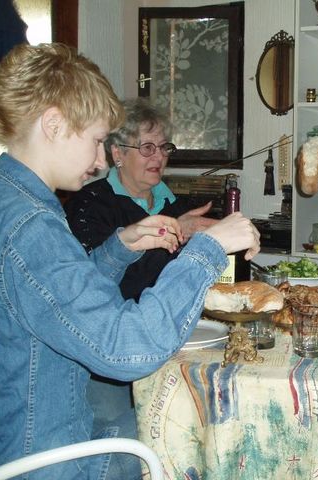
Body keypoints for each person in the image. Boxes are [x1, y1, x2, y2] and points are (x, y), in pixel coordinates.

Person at [0, 42, 260, 480]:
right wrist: (209, 248)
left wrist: (119, 246)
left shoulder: (12, 201)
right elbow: (127, 349)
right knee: (215, 432)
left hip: (35, 438)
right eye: (97, 141)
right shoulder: (31, 227)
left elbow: (56, 305)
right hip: (50, 463)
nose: (102, 159)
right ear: (54, 125)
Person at [62, 98, 220, 464]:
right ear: (117, 153)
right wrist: (177, 233)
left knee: (190, 426)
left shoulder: (174, 204)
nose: (158, 157)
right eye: (147, 147)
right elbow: (100, 285)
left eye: (164, 147)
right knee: (125, 449)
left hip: (172, 341)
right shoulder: (89, 204)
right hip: (110, 355)